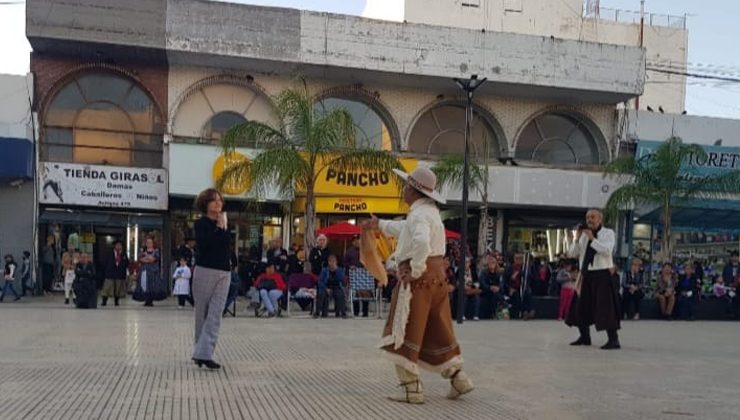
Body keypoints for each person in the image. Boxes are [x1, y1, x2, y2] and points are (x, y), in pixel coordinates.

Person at [362, 166, 473, 404]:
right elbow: (405, 230)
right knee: (437, 329)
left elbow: (420, 242)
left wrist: (415, 269)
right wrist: (379, 224)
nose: (403, 189)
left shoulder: (420, 215)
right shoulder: (429, 213)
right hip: (437, 280)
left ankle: (410, 388)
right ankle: (459, 378)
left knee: (403, 331)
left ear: (413, 190)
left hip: (419, 283)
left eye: (406, 186)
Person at [566, 209, 621, 350]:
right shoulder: (583, 235)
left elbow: (607, 251)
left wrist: (592, 239)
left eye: (592, 217)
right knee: (580, 306)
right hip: (586, 274)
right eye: (587, 217)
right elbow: (572, 253)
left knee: (605, 307)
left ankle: (613, 340)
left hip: (602, 274)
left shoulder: (608, 233)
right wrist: (577, 238)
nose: (589, 219)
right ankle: (584, 337)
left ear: (600, 219)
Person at [192, 188, 232, 370]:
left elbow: (224, 245)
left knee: (216, 313)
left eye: (219, 200)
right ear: (206, 204)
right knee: (202, 313)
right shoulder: (201, 224)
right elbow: (206, 244)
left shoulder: (223, 222)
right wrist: (218, 227)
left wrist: (223, 227)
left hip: (224, 272)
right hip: (204, 270)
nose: (218, 204)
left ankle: (205, 353)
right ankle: (200, 352)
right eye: (213, 200)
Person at [134, 237, 166, 307]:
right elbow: (141, 259)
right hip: (144, 271)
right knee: (145, 285)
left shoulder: (156, 251)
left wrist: (147, 258)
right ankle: (146, 300)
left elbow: (154, 259)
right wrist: (148, 259)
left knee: (152, 286)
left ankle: (151, 300)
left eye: (150, 242)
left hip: (153, 271)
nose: (149, 244)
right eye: (147, 243)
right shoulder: (142, 251)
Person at [345, 235, 370, 317]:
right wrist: (350, 266)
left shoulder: (366, 250)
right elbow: (344, 263)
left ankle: (365, 312)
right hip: (354, 275)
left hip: (365, 275)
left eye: (358, 240)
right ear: (352, 242)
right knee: (355, 293)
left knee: (365, 293)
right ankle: (356, 311)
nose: (357, 242)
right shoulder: (349, 252)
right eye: (355, 240)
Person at [504, 254, 534, 320]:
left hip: (523, 287)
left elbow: (530, 278)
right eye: (517, 258)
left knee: (528, 293)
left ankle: (531, 310)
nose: (519, 260)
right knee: (517, 295)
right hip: (513, 288)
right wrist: (509, 288)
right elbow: (505, 281)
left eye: (520, 258)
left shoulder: (525, 268)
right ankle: (525, 311)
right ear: (514, 259)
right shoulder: (509, 268)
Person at [101, 240, 129, 307]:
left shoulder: (124, 254)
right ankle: (104, 301)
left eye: (120, 245)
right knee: (107, 288)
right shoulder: (109, 253)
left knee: (118, 289)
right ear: (114, 246)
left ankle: (116, 301)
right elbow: (104, 261)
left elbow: (127, 263)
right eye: (117, 245)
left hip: (119, 273)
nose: (119, 246)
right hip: (110, 273)